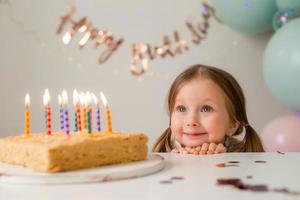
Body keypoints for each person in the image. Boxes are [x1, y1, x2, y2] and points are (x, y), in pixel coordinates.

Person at [152, 64, 264, 154]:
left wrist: (223, 160)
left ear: (232, 124)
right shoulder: (162, 156)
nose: (191, 121)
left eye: (206, 109)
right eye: (181, 108)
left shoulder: (244, 160)